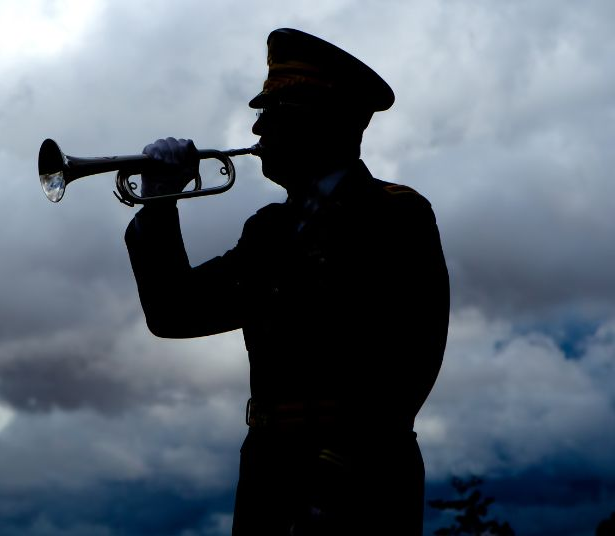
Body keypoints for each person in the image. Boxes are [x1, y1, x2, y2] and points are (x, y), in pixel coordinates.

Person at [124, 28, 450, 535]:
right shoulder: (268, 229)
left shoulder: (395, 213)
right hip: (269, 467)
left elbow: (415, 352)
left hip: (361, 474)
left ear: (319, 123)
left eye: (273, 116)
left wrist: (342, 463)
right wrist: (159, 202)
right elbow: (174, 313)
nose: (256, 130)